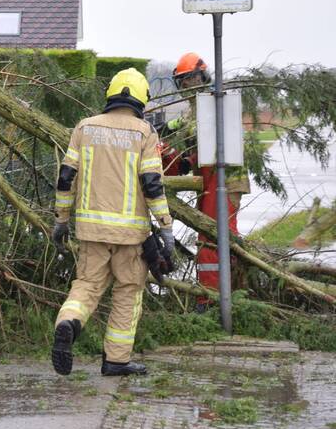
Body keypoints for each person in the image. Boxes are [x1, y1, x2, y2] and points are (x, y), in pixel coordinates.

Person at [50, 68, 175, 377]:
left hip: (91, 231)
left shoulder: (85, 127)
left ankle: (68, 323)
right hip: (131, 236)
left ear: (110, 95)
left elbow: (66, 179)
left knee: (86, 287)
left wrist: (61, 220)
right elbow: (152, 183)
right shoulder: (144, 132)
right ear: (142, 99)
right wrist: (166, 225)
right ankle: (116, 360)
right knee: (128, 293)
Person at [159, 52, 249, 308]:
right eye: (182, 81)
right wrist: (167, 128)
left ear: (199, 77)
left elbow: (205, 137)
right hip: (212, 176)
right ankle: (218, 293)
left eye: (187, 80)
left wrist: (184, 157)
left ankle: (211, 299)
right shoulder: (199, 104)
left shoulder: (212, 103)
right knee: (209, 232)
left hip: (224, 177)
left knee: (214, 236)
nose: (185, 86)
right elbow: (185, 125)